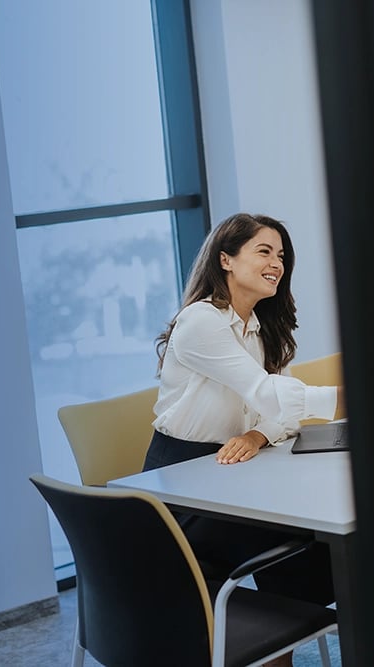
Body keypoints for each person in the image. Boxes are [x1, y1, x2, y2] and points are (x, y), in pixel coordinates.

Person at [145, 212, 343, 667]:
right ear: (226, 260)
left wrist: (255, 434)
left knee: (308, 535)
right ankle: (281, 644)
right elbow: (267, 392)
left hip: (231, 470)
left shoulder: (262, 326)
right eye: (264, 251)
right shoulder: (201, 322)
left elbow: (276, 414)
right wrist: (346, 399)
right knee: (298, 536)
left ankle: (283, 643)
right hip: (181, 486)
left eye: (282, 255)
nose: (277, 262)